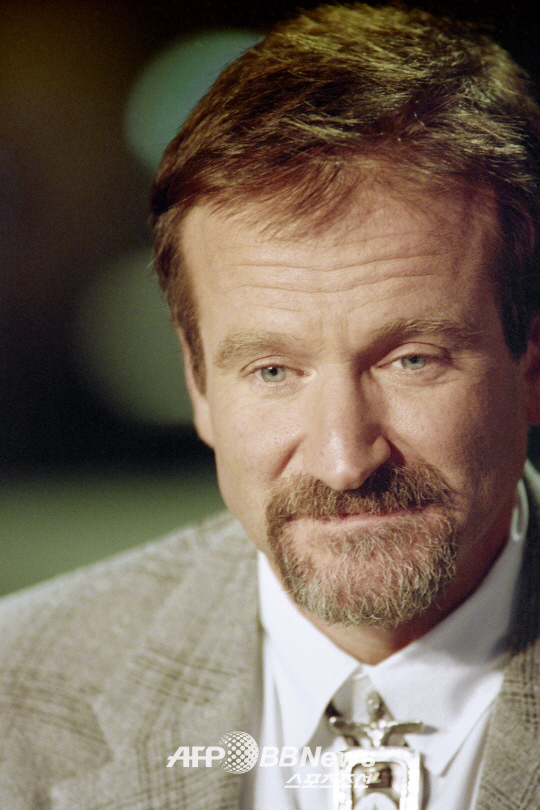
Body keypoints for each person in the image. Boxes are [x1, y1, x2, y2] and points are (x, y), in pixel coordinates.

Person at [2, 3, 540, 808]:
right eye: (273, 372)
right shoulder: (17, 691)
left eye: (412, 360)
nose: (343, 459)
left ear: (531, 361)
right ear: (198, 384)